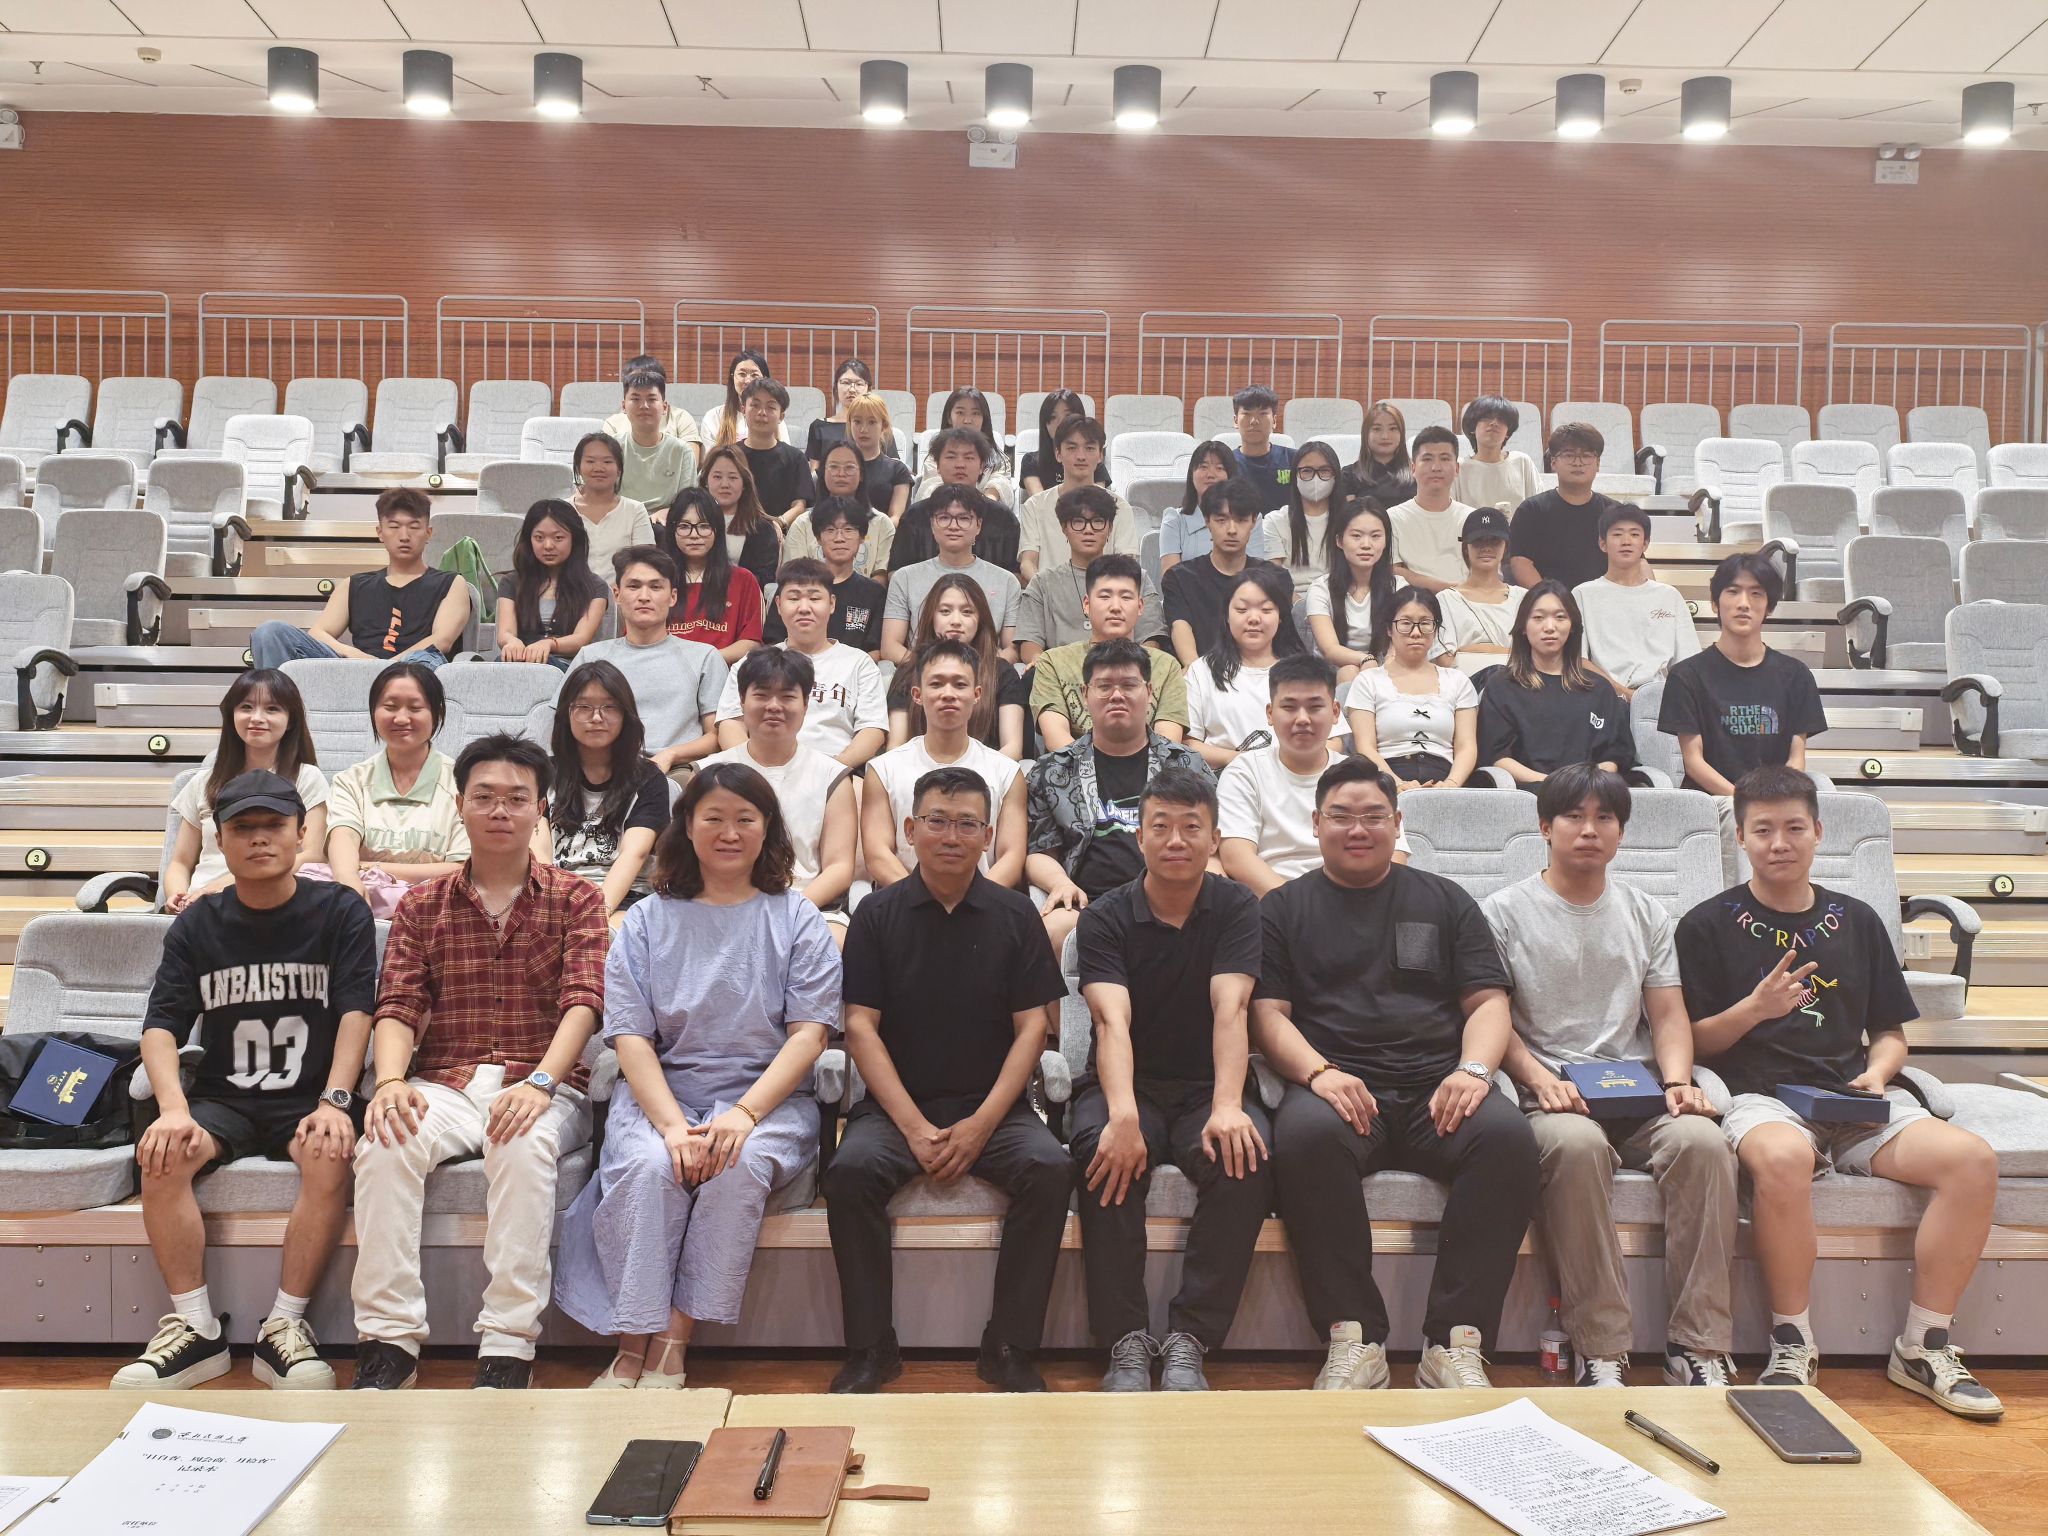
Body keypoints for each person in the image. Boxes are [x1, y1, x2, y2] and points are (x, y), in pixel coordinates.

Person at [1679, 765, 2003, 1417]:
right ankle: (1792, 1342)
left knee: (1972, 1161)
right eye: (1762, 830)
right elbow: (1689, 1042)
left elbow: (1889, 1033)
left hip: (1852, 1098)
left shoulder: (1856, 920)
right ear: (1739, 837)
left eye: (1794, 828)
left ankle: (1924, 1346)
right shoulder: (1705, 925)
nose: (1779, 843)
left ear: (1818, 832)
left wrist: (1879, 1073)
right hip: (1760, 1097)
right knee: (1782, 1157)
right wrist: (1754, 1010)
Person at [1252, 756, 1537, 1391]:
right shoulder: (1282, 908)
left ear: (1397, 822)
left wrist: (1473, 1070)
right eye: (1341, 816)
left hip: (1439, 1088)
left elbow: (1488, 1003)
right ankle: (1353, 1337)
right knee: (1304, 1138)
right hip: (1339, 1090)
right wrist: (1319, 1073)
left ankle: (1454, 1343)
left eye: (1374, 816)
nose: (1358, 829)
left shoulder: (1444, 899)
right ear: (1316, 824)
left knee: (1508, 1140)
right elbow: (1267, 1015)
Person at [556, 762, 837, 1388]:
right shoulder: (646, 920)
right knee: (651, 1166)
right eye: (713, 818)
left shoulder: (796, 917)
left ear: (768, 829)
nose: (729, 833)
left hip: (766, 1100)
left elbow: (810, 1035)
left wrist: (743, 1115)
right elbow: (630, 1037)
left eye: (745, 819)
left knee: (735, 1164)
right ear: (686, 825)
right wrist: (672, 1127)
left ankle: (671, 1344)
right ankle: (630, 1342)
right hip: (663, 1095)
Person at [350, 735, 606, 1391]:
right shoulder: (421, 905)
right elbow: (398, 1003)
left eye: (516, 799)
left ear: (540, 809)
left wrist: (542, 1082)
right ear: (459, 804)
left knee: (522, 1143)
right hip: (447, 1082)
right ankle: (388, 1339)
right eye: (484, 797)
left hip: (547, 1084)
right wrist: (389, 1082)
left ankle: (507, 1344)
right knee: (383, 1141)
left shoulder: (577, 899)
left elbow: (585, 1001)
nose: (500, 811)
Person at [113, 770, 377, 1392]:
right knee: (162, 1154)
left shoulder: (341, 910)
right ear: (221, 840)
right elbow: (161, 1029)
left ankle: (285, 1326)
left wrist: (336, 1101)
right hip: (225, 1096)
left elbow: (356, 1014)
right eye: (243, 828)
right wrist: (173, 1110)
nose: (260, 839)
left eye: (274, 826)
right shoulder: (197, 923)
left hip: (309, 1096)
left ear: (302, 833)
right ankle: (196, 1329)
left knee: (329, 1148)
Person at [1484, 764, 1738, 1388]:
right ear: (1544, 826)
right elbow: (1491, 1017)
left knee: (1703, 1143)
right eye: (1573, 816)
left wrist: (1677, 1082)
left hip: (1637, 1090)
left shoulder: (1647, 913)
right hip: (1552, 1094)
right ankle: (1600, 1347)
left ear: (1621, 832)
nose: (1589, 830)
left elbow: (1668, 1013)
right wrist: (1537, 1079)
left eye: (1604, 818)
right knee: (1574, 1148)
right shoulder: (1502, 912)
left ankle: (1698, 1346)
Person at [825, 765, 1072, 1393]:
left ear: (988, 836)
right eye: (937, 821)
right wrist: (912, 1127)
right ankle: (871, 1347)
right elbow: (860, 1028)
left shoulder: (1017, 916)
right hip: (895, 1110)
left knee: (1049, 1168)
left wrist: (982, 1124)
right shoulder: (876, 915)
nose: (952, 836)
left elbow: (1032, 1031)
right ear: (910, 829)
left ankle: (1009, 1345)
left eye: (967, 824)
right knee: (849, 1171)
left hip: (994, 1110)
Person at [1069, 766, 1272, 1393]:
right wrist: (1123, 1115)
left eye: (1191, 827)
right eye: (1161, 826)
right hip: (1125, 1082)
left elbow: (1232, 1008)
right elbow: (1111, 1020)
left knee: (1244, 1159)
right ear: (1140, 837)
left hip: (1208, 1085)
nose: (1176, 840)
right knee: (1104, 1154)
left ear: (1215, 839)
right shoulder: (1105, 916)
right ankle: (1125, 1339)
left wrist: (1228, 1106)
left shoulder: (1237, 906)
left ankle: (1191, 1338)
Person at [1025, 638, 1211, 956]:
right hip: (1090, 905)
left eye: (1129, 685)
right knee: (1050, 931)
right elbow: (1040, 852)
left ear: (1149, 692)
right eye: (1104, 686)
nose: (1116, 695)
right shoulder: (1053, 770)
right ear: (1085, 694)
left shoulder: (1185, 764)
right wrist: (1060, 883)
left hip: (1175, 897)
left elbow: (1215, 842)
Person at [704, 649, 858, 935]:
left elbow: (839, 867)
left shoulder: (832, 776)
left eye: (787, 696)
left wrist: (787, 914)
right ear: (742, 701)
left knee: (832, 942)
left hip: (807, 905)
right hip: (720, 902)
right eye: (762, 695)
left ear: (806, 704)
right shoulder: (708, 773)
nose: (774, 706)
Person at [863, 639, 1027, 889]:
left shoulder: (1007, 772)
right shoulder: (883, 770)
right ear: (917, 695)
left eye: (960, 685)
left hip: (984, 905)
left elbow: (1012, 857)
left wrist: (974, 903)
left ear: (977, 695)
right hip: (905, 902)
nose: (948, 694)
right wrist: (921, 902)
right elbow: (878, 854)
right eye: (936, 684)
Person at [1659, 553, 1825, 795]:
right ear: (1715, 603)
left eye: (1756, 593)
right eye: (1733, 591)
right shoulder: (1686, 676)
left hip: (1776, 801)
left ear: (1769, 607)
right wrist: (1745, 802)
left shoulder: (1796, 675)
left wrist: (1773, 803)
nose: (1744, 603)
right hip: (1715, 802)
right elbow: (1693, 762)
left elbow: (1796, 759)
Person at [163, 669, 327, 912]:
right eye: (246, 707)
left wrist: (222, 887)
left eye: (272, 709)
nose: (257, 718)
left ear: (291, 720)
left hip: (272, 904)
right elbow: (180, 862)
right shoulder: (203, 782)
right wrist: (178, 897)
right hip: (200, 907)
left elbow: (312, 855)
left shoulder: (307, 777)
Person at [250, 488, 466, 671]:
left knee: (425, 658)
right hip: (356, 670)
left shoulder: (451, 583)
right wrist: (353, 656)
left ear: (428, 533)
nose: (404, 536)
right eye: (394, 527)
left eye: (414, 527)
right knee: (270, 632)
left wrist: (389, 666)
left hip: (415, 672)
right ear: (380, 532)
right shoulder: (355, 584)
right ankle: (275, 704)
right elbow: (318, 632)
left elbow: (442, 641)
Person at [319, 661, 469, 915]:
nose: (401, 718)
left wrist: (369, 867)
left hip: (439, 910)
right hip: (362, 909)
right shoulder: (351, 780)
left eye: (415, 708)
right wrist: (350, 879)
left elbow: (461, 868)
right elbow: (343, 838)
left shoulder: (462, 783)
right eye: (390, 707)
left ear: (437, 713)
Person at [714, 558, 886, 768]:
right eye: (794, 598)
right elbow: (730, 723)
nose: (804, 608)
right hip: (761, 771)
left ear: (832, 604)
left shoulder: (859, 663)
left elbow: (872, 729)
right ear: (778, 605)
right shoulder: (753, 662)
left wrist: (832, 772)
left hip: (834, 768)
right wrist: (756, 771)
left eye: (814, 598)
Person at [1218, 653, 1362, 896]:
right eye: (1289, 707)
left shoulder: (1359, 777)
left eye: (1315, 707)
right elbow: (1236, 855)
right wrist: (1296, 907)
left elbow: (1393, 853)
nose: (1302, 719)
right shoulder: (1244, 772)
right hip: (1273, 902)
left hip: (1350, 900)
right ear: (1270, 713)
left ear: (1335, 711)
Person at [577, 547, 728, 777]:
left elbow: (716, 736)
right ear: (616, 594)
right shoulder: (590, 657)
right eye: (634, 586)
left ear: (673, 597)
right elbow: (564, 723)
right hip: (603, 768)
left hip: (676, 770)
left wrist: (670, 755)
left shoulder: (705, 657)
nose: (644, 596)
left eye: (656, 587)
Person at [1478, 581, 1636, 786]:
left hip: (1591, 792)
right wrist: (1555, 784)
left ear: (1572, 626)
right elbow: (1497, 756)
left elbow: (1615, 754)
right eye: (1538, 618)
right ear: (1523, 627)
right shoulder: (1502, 686)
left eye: (1560, 617)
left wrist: (1585, 784)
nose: (1550, 627)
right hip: (1529, 791)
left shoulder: (1599, 688)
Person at [544, 659, 670, 915]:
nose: (596, 717)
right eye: (583, 707)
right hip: (554, 894)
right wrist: (552, 910)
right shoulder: (541, 774)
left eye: (609, 707)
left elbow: (634, 854)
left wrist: (595, 916)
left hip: (626, 896)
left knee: (613, 935)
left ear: (625, 715)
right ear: (566, 714)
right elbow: (539, 856)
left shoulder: (648, 778)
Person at [1031, 554, 1188, 752]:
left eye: (1126, 597)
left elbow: (1167, 742)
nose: (1115, 607)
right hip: (1074, 768)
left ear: (1140, 606)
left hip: (1150, 768)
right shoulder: (1054, 662)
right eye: (1105, 596)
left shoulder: (1166, 666)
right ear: (1086, 604)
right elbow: (1056, 739)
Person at [1347, 588, 1479, 788]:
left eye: (1425, 623)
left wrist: (1451, 784)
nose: (1416, 633)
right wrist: (1398, 784)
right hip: (1385, 781)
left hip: (1446, 781)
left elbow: (1466, 746)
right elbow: (1365, 747)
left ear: (1436, 629)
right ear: (1389, 629)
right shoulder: (1367, 681)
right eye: (1406, 623)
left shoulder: (1458, 681)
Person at [888, 573, 1030, 758]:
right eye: (945, 611)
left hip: (986, 771)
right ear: (932, 617)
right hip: (919, 771)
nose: (955, 621)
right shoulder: (908, 671)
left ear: (980, 619)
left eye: (967, 612)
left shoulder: (1002, 673)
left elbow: (1012, 748)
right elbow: (896, 747)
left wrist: (972, 773)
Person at [1184, 564, 1310, 772]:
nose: (1253, 618)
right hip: (1224, 779)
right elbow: (1189, 744)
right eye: (1242, 610)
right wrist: (1248, 762)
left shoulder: (1304, 671)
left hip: (1295, 776)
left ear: (1280, 616)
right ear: (1226, 615)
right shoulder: (1202, 671)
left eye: (1266, 610)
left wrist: (1285, 763)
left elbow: (1334, 741)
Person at [1017, 485, 1163, 662]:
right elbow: (1030, 643)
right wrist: (1048, 667)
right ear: (1064, 528)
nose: (1088, 530)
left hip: (1124, 668)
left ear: (1110, 528)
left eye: (1098, 521)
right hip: (1060, 671)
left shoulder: (1137, 578)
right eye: (1078, 522)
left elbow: (1151, 639)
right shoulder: (1042, 583)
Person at [882, 484, 1021, 663]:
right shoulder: (904, 578)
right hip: (922, 671)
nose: (953, 526)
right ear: (932, 524)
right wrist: (932, 669)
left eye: (964, 518)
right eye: (944, 518)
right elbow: (890, 646)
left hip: (987, 672)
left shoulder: (1007, 581)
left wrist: (976, 670)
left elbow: (1012, 649)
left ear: (979, 525)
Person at [1575, 503, 1700, 700]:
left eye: (1634, 534)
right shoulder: (1583, 594)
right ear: (1602, 543)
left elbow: (1688, 664)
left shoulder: (1669, 596)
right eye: (1617, 534)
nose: (1626, 541)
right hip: (1606, 698)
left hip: (1661, 698)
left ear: (1645, 544)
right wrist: (1627, 694)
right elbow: (1579, 660)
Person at [1016, 416, 1139, 583]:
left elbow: (1127, 564)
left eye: (1089, 448)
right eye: (1072, 448)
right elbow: (1028, 563)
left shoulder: (1120, 507)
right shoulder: (1035, 506)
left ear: (1100, 455)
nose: (1081, 456)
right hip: (1050, 593)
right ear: (1058, 454)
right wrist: (1047, 591)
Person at [1162, 477, 1268, 665]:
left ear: (1253, 522)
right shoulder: (1180, 578)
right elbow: (1180, 628)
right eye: (1221, 520)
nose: (1232, 530)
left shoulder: (1273, 578)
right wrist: (1198, 673)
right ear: (1207, 521)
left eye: (1241, 520)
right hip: (1201, 672)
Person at [493, 498, 610, 668]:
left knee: (546, 664)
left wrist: (550, 644)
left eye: (558, 538)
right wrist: (512, 642)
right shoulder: (511, 582)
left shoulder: (595, 586)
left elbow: (581, 639)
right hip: (520, 663)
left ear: (574, 539)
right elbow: (505, 632)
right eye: (539, 538)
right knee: (500, 666)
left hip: (569, 667)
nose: (548, 545)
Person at [1508, 422, 1620, 591]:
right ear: (1553, 462)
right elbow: (1520, 562)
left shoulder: (1614, 513)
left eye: (1586, 456)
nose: (1578, 462)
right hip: (1548, 601)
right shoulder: (1531, 510)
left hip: (1603, 600)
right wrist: (1550, 598)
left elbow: (1637, 562)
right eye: (1569, 455)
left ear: (1597, 463)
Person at [893, 427, 1022, 572]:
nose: (960, 465)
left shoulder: (1003, 518)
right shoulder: (915, 516)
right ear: (937, 465)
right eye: (951, 457)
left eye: (969, 458)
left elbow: (1015, 576)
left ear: (982, 466)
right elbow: (896, 573)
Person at [661, 489, 764, 664]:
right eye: (684, 526)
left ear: (717, 530)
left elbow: (751, 643)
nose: (694, 535)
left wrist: (704, 662)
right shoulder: (657, 581)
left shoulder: (743, 580)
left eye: (704, 526)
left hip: (723, 672)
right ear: (672, 531)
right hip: (666, 670)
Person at [773, 498, 886, 655]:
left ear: (862, 537)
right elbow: (773, 643)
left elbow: (875, 651)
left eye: (848, 530)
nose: (839, 538)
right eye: (830, 530)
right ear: (818, 537)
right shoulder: (793, 587)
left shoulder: (874, 593)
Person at [1306, 497, 1398, 684]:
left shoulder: (1398, 587)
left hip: (1385, 669)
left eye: (1375, 536)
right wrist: (1366, 660)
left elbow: (1398, 645)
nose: (1366, 544)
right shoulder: (1321, 589)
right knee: (1348, 670)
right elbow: (1330, 649)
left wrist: (1381, 668)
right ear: (1339, 541)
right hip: (1330, 673)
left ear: (1386, 541)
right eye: (1356, 536)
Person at [781, 442, 895, 576]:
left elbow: (881, 578)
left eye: (849, 467)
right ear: (823, 473)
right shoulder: (802, 524)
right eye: (834, 467)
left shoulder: (882, 524)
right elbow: (794, 577)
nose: (841, 474)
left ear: (861, 474)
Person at [1435, 508, 1522, 678]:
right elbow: (1445, 660)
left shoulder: (1523, 598)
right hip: (1463, 686)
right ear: (1465, 547)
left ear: (1505, 546)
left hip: (1516, 684)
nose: (1486, 548)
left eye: (1494, 541)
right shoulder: (1445, 599)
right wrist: (1506, 652)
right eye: (1478, 541)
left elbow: (1533, 655)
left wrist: (1467, 651)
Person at [1159, 439, 1266, 575]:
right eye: (1203, 467)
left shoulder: (1251, 518)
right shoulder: (1174, 520)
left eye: (1219, 468)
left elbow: (1255, 573)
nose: (1210, 474)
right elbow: (1171, 577)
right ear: (1192, 474)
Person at [1388, 426, 1473, 592]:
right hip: (1414, 602)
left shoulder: (1471, 518)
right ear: (1413, 468)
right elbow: (1394, 572)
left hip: (1467, 602)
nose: (1436, 467)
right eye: (1427, 459)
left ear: (1457, 469)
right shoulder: (1393, 517)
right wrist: (1451, 590)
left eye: (1445, 459)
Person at [570, 432, 656, 587]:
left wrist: (609, 594)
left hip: (621, 595)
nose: (598, 468)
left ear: (619, 470)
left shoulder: (635, 510)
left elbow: (644, 563)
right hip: (571, 594)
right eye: (590, 461)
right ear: (578, 468)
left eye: (607, 461)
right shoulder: (562, 511)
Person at [695, 443, 784, 592]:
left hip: (742, 599)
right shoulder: (690, 522)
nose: (725, 484)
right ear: (705, 481)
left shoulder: (762, 528)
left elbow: (764, 580)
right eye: (717, 477)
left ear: (744, 483)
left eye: (733, 477)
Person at [612, 368, 698, 515]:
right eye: (635, 399)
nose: (644, 406)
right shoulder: (612, 448)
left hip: (667, 521)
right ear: (623, 406)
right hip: (622, 517)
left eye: (651, 399)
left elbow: (688, 501)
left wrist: (668, 512)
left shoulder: (682, 451)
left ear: (664, 407)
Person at [737, 378, 817, 532]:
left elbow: (799, 505)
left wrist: (778, 523)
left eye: (770, 407)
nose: (762, 413)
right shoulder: (729, 456)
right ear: (743, 410)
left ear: (781, 416)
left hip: (781, 533)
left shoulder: (795, 458)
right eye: (755, 405)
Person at [912, 387, 1015, 507]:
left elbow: (1001, 484)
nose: (967, 420)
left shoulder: (999, 459)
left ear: (984, 418)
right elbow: (930, 486)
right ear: (949, 418)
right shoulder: (936, 456)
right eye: (960, 413)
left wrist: (986, 502)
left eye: (976, 413)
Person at [1262, 439, 1341, 585]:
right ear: (1295, 476)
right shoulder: (1275, 521)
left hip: (1336, 594)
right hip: (1289, 595)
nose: (1315, 478)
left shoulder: (1350, 519)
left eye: (1324, 471)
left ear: (1335, 475)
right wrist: (1295, 599)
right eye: (1307, 471)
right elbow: (1273, 577)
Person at [1018, 388, 1112, 497]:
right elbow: (1038, 501)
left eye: (1068, 416)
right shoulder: (1031, 461)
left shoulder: (1091, 459)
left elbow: (1097, 500)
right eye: (1053, 417)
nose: (1060, 422)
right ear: (1045, 424)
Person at [602, 353, 704, 453]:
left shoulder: (681, 418)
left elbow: (691, 458)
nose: (644, 406)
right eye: (636, 380)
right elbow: (605, 459)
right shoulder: (613, 424)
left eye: (650, 379)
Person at [1452, 396, 1540, 511]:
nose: (1494, 423)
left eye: (1501, 420)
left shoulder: (1522, 462)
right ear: (1473, 427)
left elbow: (1537, 508)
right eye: (1487, 418)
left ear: (1508, 432)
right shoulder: (1458, 467)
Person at [699, 347, 784, 451]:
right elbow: (710, 459)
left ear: (765, 379)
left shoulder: (773, 417)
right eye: (742, 374)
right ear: (732, 377)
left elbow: (785, 455)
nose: (748, 380)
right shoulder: (713, 417)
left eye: (754, 375)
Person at [845, 393, 914, 521]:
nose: (863, 429)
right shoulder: (839, 467)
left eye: (872, 422)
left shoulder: (898, 470)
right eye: (857, 422)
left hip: (883, 532)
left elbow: (895, 518)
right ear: (850, 424)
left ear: (884, 425)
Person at [1229, 386, 1295, 509]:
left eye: (1263, 414)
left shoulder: (1294, 459)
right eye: (1247, 414)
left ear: (1274, 421)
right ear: (1235, 421)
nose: (1254, 421)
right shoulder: (1226, 463)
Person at [804, 357, 873, 467]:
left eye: (859, 384)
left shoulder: (877, 426)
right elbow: (814, 472)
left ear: (868, 389)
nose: (852, 389)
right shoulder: (819, 427)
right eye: (846, 383)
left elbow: (891, 467)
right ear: (836, 387)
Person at [1345, 400, 1416, 507]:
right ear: (1366, 434)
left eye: (1393, 428)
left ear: (1401, 434)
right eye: (1377, 429)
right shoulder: (1349, 475)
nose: (1385, 436)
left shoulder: (1418, 473)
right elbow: (1349, 515)